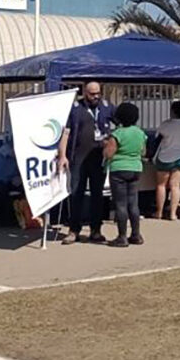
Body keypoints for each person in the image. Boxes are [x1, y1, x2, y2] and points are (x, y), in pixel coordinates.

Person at [58, 81, 115, 245]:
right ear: (85, 92)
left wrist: (112, 142)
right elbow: (66, 133)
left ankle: (96, 230)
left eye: (98, 93)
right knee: (76, 193)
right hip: (78, 158)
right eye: (92, 94)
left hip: (98, 158)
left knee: (97, 195)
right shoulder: (75, 108)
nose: (96, 96)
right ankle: (73, 230)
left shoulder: (106, 106)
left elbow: (122, 123)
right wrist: (63, 155)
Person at [103, 102, 146, 247]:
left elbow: (109, 154)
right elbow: (143, 152)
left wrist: (105, 145)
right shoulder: (140, 133)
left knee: (121, 204)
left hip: (119, 170)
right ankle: (136, 234)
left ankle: (122, 237)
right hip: (136, 168)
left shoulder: (118, 133)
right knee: (133, 203)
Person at [153, 101, 180, 221]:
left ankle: (159, 212)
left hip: (164, 157)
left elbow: (157, 139)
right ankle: (173, 214)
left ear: (173, 112)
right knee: (175, 186)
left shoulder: (166, 125)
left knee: (161, 185)